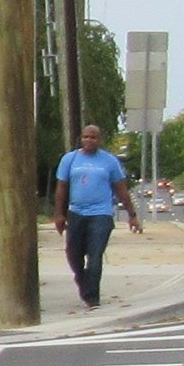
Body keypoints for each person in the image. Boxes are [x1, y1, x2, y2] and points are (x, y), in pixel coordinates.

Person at [54, 121, 143, 308]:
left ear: (99, 139)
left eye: (93, 137)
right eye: (86, 136)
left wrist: (132, 215)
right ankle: (82, 280)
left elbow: (121, 189)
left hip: (101, 214)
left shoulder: (109, 161)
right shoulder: (70, 159)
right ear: (81, 138)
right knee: (73, 254)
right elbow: (61, 188)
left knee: (95, 256)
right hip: (76, 212)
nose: (89, 140)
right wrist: (59, 214)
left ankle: (92, 296)